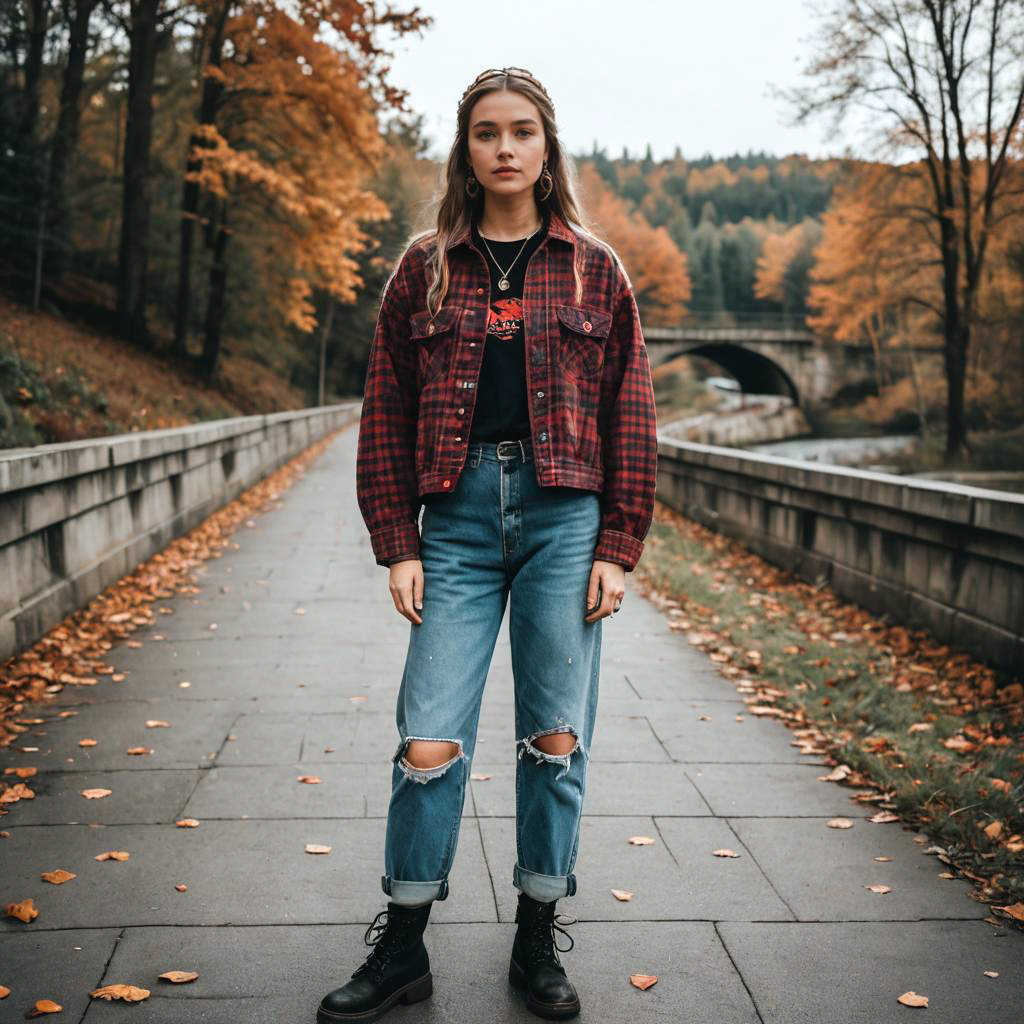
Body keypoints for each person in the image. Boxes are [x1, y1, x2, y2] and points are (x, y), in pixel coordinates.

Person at [318, 66, 658, 1023]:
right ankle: (404, 946)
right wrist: (397, 540)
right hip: (456, 522)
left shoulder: (597, 269)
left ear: (547, 146)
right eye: (484, 133)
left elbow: (630, 409)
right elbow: (384, 407)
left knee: (555, 740)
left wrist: (618, 546)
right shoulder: (422, 268)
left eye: (521, 131)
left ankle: (536, 936)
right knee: (428, 742)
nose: (504, 148)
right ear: (464, 150)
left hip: (564, 521)